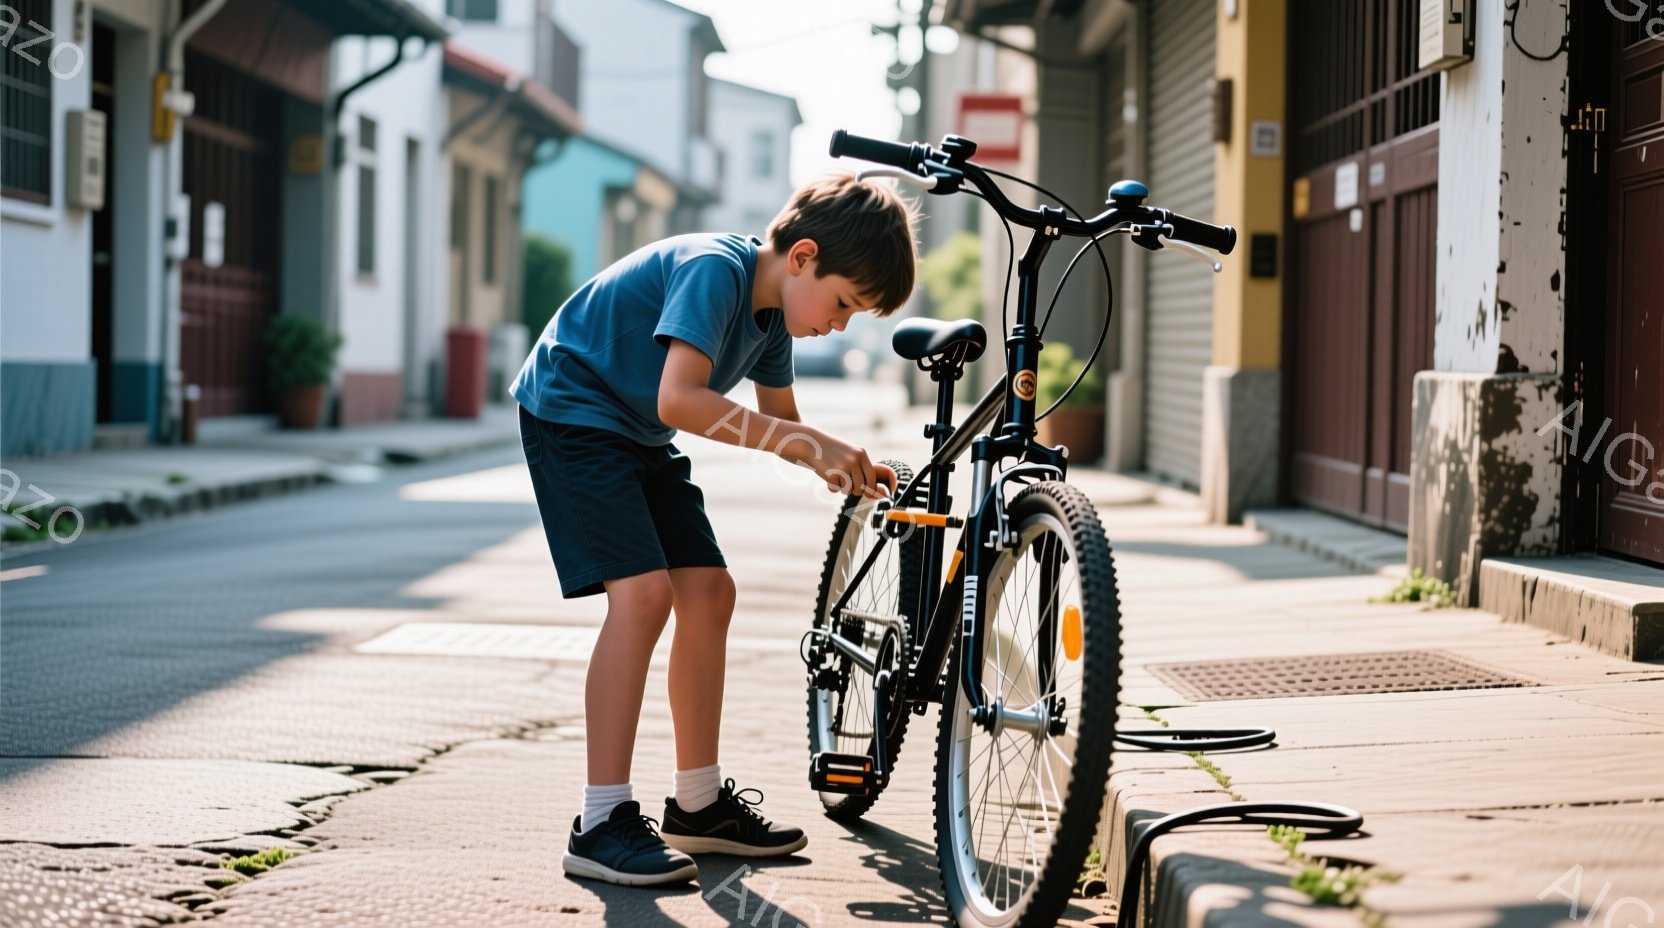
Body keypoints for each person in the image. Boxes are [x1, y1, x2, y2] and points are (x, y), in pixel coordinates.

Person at [511, 173, 917, 886]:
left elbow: (783, 425)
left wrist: (840, 463)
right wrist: (804, 445)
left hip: (635, 430)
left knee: (709, 592)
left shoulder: (771, 322)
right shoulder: (714, 270)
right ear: (802, 258)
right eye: (845, 302)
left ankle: (697, 806)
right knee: (642, 595)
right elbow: (680, 398)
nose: (841, 324)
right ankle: (600, 820)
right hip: (572, 410)